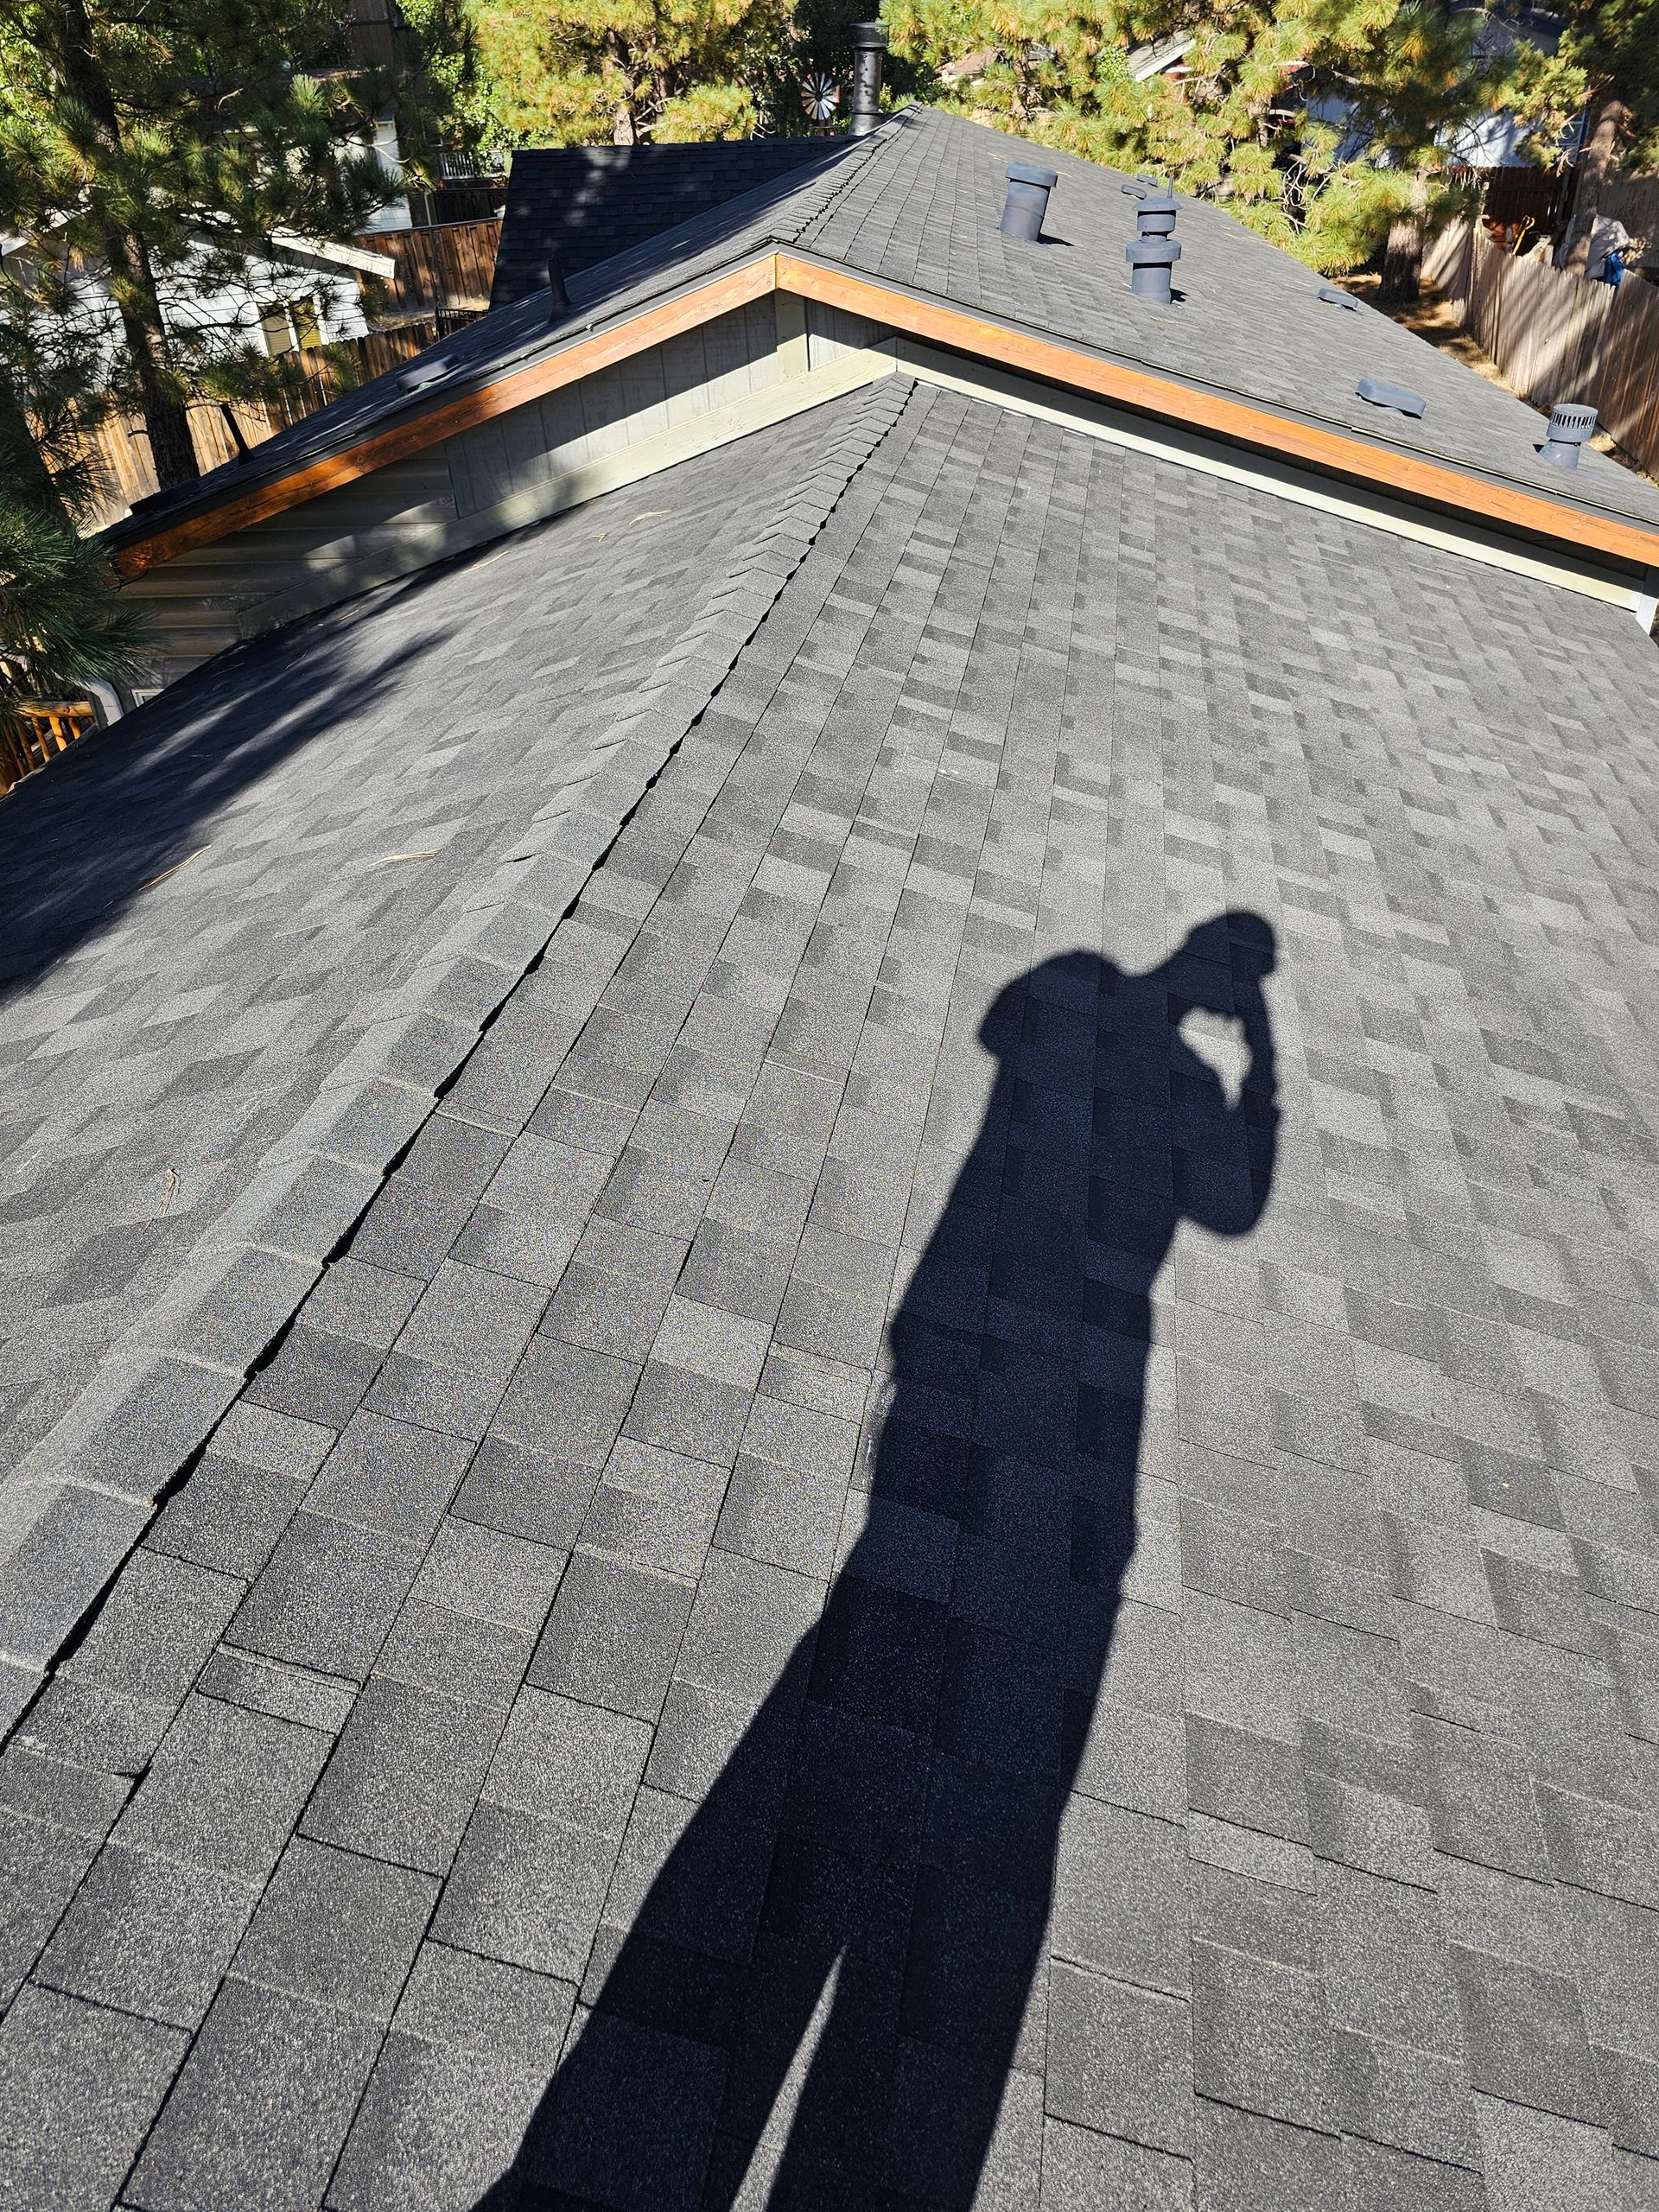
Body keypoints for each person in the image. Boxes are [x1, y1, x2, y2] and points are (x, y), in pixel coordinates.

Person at [478, 913, 1281, 2212]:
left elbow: (1011, 1035)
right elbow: (1232, 1203)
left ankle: (592, 2152)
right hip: (1070, 1400)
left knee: (824, 1718)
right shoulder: (1169, 1067)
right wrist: (1266, 1065)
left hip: (949, 1364)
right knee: (968, 1808)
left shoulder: (1074, 997)